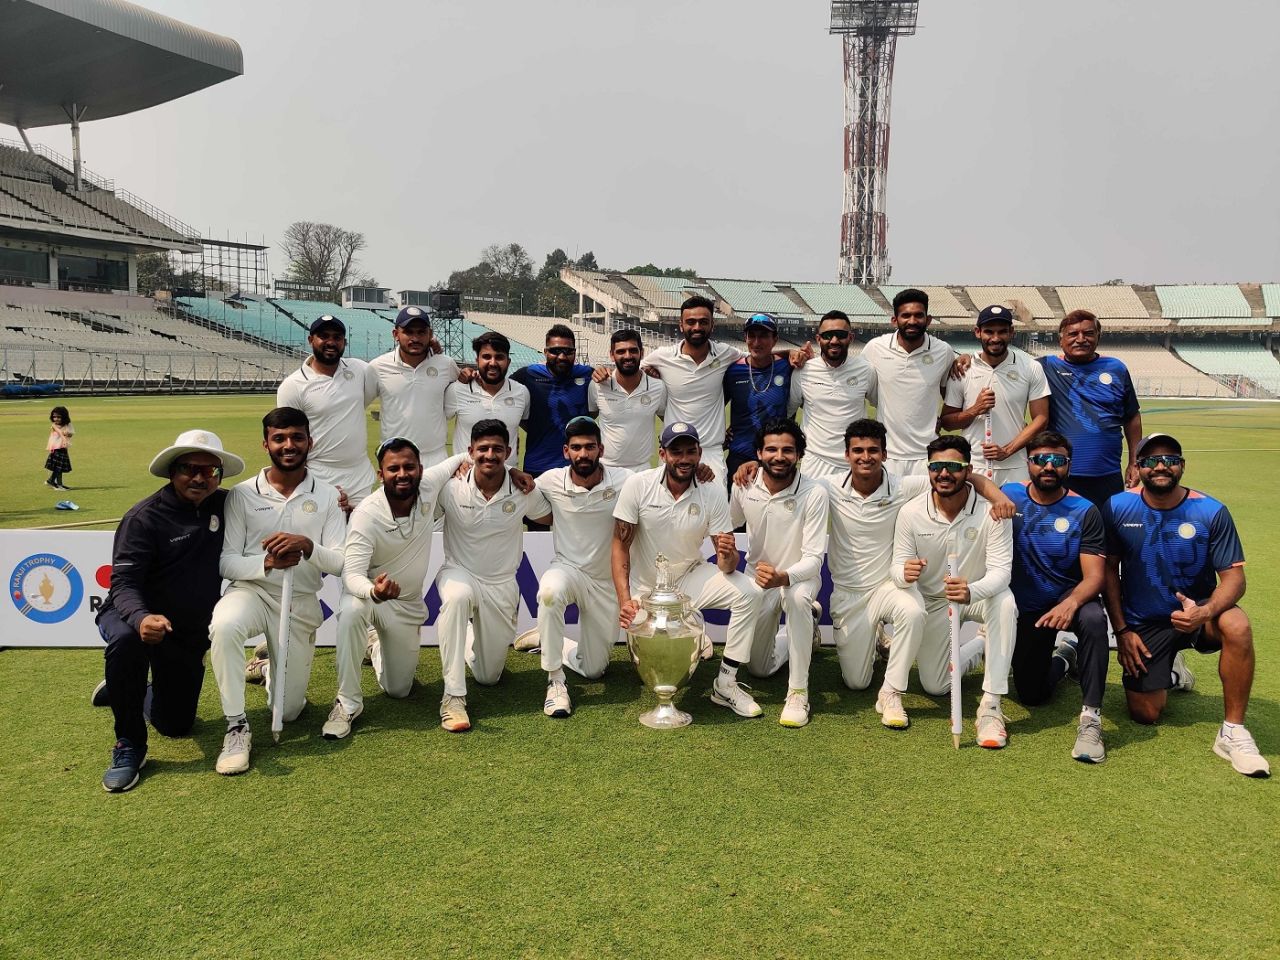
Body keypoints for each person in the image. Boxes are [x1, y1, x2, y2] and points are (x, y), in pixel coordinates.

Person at [807, 419, 1011, 729]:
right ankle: (874, 642)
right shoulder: (827, 487)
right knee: (857, 682)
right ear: (846, 455)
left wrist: (999, 498)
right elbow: (787, 475)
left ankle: (893, 692)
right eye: (858, 450)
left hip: (890, 588)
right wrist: (750, 467)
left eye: (873, 450)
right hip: (850, 594)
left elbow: (970, 477)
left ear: (885, 455)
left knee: (917, 612)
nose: (866, 457)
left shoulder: (904, 487)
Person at [1103, 433, 1269, 777]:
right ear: (1138, 468)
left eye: (1170, 459)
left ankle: (1233, 731)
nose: (1161, 466)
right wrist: (1122, 631)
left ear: (1182, 466)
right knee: (1146, 713)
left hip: (1200, 613)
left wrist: (1205, 612)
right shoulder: (1118, 507)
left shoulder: (1210, 510)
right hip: (1145, 621)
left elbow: (1235, 580)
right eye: (1150, 461)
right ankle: (1173, 669)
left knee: (1237, 624)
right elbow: (1107, 572)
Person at [97, 429, 245, 792]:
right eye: (189, 468)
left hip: (185, 631)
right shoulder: (143, 518)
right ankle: (129, 744)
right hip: (134, 615)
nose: (199, 478)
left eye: (209, 471)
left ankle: (123, 688)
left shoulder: (226, 505)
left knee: (176, 725)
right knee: (127, 642)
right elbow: (124, 583)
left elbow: (270, 501)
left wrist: (340, 505)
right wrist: (143, 617)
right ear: (171, 472)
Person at [209, 407, 346, 775]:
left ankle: (269, 666)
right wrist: (266, 563)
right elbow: (225, 561)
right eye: (279, 438)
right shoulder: (240, 495)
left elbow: (341, 562)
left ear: (309, 441)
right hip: (251, 591)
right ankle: (236, 726)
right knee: (224, 626)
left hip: (298, 601)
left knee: (287, 710)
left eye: (297, 437)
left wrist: (307, 546)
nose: (289, 445)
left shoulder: (329, 495)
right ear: (265, 443)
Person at [612, 421, 765, 719]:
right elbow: (620, 545)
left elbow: (726, 565)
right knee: (623, 661)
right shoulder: (638, 485)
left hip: (690, 578)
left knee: (750, 592)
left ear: (699, 453)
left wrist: (728, 555)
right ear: (662, 454)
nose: (684, 459)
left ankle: (726, 683)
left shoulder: (711, 491)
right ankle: (692, 629)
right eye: (676, 452)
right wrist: (625, 601)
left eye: (691, 452)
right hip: (647, 591)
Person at [321, 437, 467, 740]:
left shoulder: (428, 484)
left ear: (420, 468)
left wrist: (487, 465)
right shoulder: (366, 514)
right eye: (393, 469)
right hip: (372, 598)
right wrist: (374, 591)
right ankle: (347, 702)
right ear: (380, 475)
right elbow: (351, 575)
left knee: (399, 690)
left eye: (409, 467)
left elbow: (461, 456)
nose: (402, 474)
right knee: (351, 610)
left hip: (408, 607)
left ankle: (374, 646)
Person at [892, 435, 1017, 748]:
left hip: (978, 595)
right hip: (935, 602)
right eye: (937, 467)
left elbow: (1002, 573)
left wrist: (971, 591)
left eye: (953, 467)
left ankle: (990, 706)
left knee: (1005, 602)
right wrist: (904, 574)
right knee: (935, 686)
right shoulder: (910, 512)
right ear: (929, 469)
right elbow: (897, 567)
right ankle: (979, 646)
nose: (944, 474)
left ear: (968, 469)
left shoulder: (994, 511)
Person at [434, 419, 552, 732]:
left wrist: (526, 478)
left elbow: (550, 515)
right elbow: (414, 509)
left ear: (508, 452)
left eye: (497, 449)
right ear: (469, 451)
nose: (490, 455)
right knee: (457, 598)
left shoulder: (522, 489)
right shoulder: (450, 487)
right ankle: (453, 697)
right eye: (482, 449)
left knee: (489, 677)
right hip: (459, 572)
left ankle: (470, 636)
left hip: (501, 584)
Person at [1002, 431, 1110, 764]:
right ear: (1028, 462)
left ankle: (1091, 718)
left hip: (1069, 598)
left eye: (1058, 460)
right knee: (1032, 696)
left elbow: (1096, 577)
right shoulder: (1010, 495)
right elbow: (976, 480)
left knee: (1093, 619)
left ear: (1069, 465)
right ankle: (1065, 658)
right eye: (1041, 459)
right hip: (1030, 609)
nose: (1049, 466)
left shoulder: (1084, 509)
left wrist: (1070, 603)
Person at [728, 417, 827, 728]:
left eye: (788, 450)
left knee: (798, 600)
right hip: (758, 579)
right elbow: (727, 527)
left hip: (799, 578)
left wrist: (784, 578)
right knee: (759, 669)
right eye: (771, 449)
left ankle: (798, 691)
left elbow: (814, 558)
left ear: (798, 455)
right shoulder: (743, 485)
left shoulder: (814, 493)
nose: (779, 457)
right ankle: (807, 628)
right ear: (758, 453)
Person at [532, 417, 634, 718]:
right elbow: (516, 490)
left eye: (590, 447)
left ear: (601, 449)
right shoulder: (550, 481)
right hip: (569, 569)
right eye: (576, 448)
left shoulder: (625, 479)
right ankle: (555, 681)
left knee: (593, 670)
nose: (583, 454)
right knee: (549, 592)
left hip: (607, 582)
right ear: (566, 451)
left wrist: (704, 470)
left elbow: (662, 480)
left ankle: (546, 637)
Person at [1039, 309, 1142, 508]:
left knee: (1106, 533)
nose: (1081, 339)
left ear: (1098, 337)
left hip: (1107, 474)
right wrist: (967, 358)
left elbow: (1132, 418)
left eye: (1088, 333)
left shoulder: (1116, 368)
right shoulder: (1045, 366)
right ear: (1061, 340)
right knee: (1064, 533)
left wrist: (1134, 462)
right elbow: (1007, 365)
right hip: (1060, 472)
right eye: (1073, 334)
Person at [940, 304, 1050, 487]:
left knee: (1014, 514)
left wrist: (1007, 450)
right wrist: (975, 410)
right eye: (989, 332)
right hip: (973, 464)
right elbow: (947, 423)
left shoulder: (1030, 367)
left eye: (1002, 332)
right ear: (977, 332)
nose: (995, 338)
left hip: (1014, 466)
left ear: (1012, 332)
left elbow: (1041, 418)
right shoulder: (963, 369)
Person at [640, 296, 745, 485]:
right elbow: (628, 371)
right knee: (669, 510)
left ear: (712, 325)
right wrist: (646, 373)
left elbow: (758, 358)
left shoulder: (725, 353)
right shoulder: (662, 356)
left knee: (713, 511)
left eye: (703, 322)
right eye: (691, 322)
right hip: (674, 450)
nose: (697, 327)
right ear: (681, 325)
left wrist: (790, 354)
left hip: (711, 451)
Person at [276, 316, 376, 512]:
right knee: (325, 539)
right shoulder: (293, 386)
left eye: (337, 337)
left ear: (344, 343)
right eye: (324, 336)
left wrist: (431, 349)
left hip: (360, 476)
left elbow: (395, 371)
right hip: (319, 476)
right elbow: (289, 441)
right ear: (311, 339)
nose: (331, 342)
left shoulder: (359, 369)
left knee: (361, 539)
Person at [861, 289, 956, 477]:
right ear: (894, 320)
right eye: (906, 315)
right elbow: (861, 388)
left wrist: (966, 357)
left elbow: (950, 394)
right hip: (887, 454)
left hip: (926, 455)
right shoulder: (875, 348)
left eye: (918, 315)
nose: (912, 321)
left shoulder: (943, 351)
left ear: (928, 319)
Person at [787, 310, 877, 480]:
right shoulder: (803, 371)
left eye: (841, 335)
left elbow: (882, 405)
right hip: (814, 461)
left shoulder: (866, 370)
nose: (834, 341)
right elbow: (788, 411)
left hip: (854, 461)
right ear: (818, 339)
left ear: (851, 338)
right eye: (828, 335)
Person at [369, 306, 459, 468]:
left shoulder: (446, 364)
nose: (415, 338)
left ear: (430, 334)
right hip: (395, 458)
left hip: (435, 457)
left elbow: (468, 388)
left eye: (421, 332)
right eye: (408, 332)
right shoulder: (378, 367)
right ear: (396, 334)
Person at [512, 324, 596, 477]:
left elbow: (594, 411)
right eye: (555, 351)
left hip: (576, 466)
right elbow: (499, 390)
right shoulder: (527, 375)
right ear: (545, 352)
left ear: (575, 353)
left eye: (568, 351)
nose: (562, 357)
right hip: (537, 466)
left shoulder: (588, 374)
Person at [723, 314, 793, 486]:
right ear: (745, 338)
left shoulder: (787, 367)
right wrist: (719, 434)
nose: (756, 342)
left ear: (775, 339)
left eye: (763, 336)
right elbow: (713, 406)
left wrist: (793, 352)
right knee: (736, 511)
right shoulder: (732, 371)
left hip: (776, 456)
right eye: (752, 336)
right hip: (740, 454)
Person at [588, 329, 666, 472]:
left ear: (642, 353)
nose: (628, 356)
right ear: (612, 355)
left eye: (633, 350)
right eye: (621, 351)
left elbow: (668, 420)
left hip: (642, 469)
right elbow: (588, 419)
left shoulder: (658, 387)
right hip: (606, 469)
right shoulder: (598, 385)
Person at [445, 331, 530, 460]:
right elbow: (436, 425)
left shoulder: (521, 392)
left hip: (506, 477)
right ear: (477, 360)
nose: (492, 363)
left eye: (499, 357)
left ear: (508, 361)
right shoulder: (457, 390)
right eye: (486, 356)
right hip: (466, 477)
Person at [45, 405, 74, 489]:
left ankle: (58, 483)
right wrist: (64, 438)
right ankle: (54, 482)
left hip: (63, 448)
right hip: (56, 448)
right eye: (54, 417)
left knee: (59, 468)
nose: (56, 419)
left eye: (58, 417)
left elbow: (71, 434)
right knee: (58, 467)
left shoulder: (68, 424)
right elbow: (60, 433)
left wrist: (67, 433)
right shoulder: (54, 425)